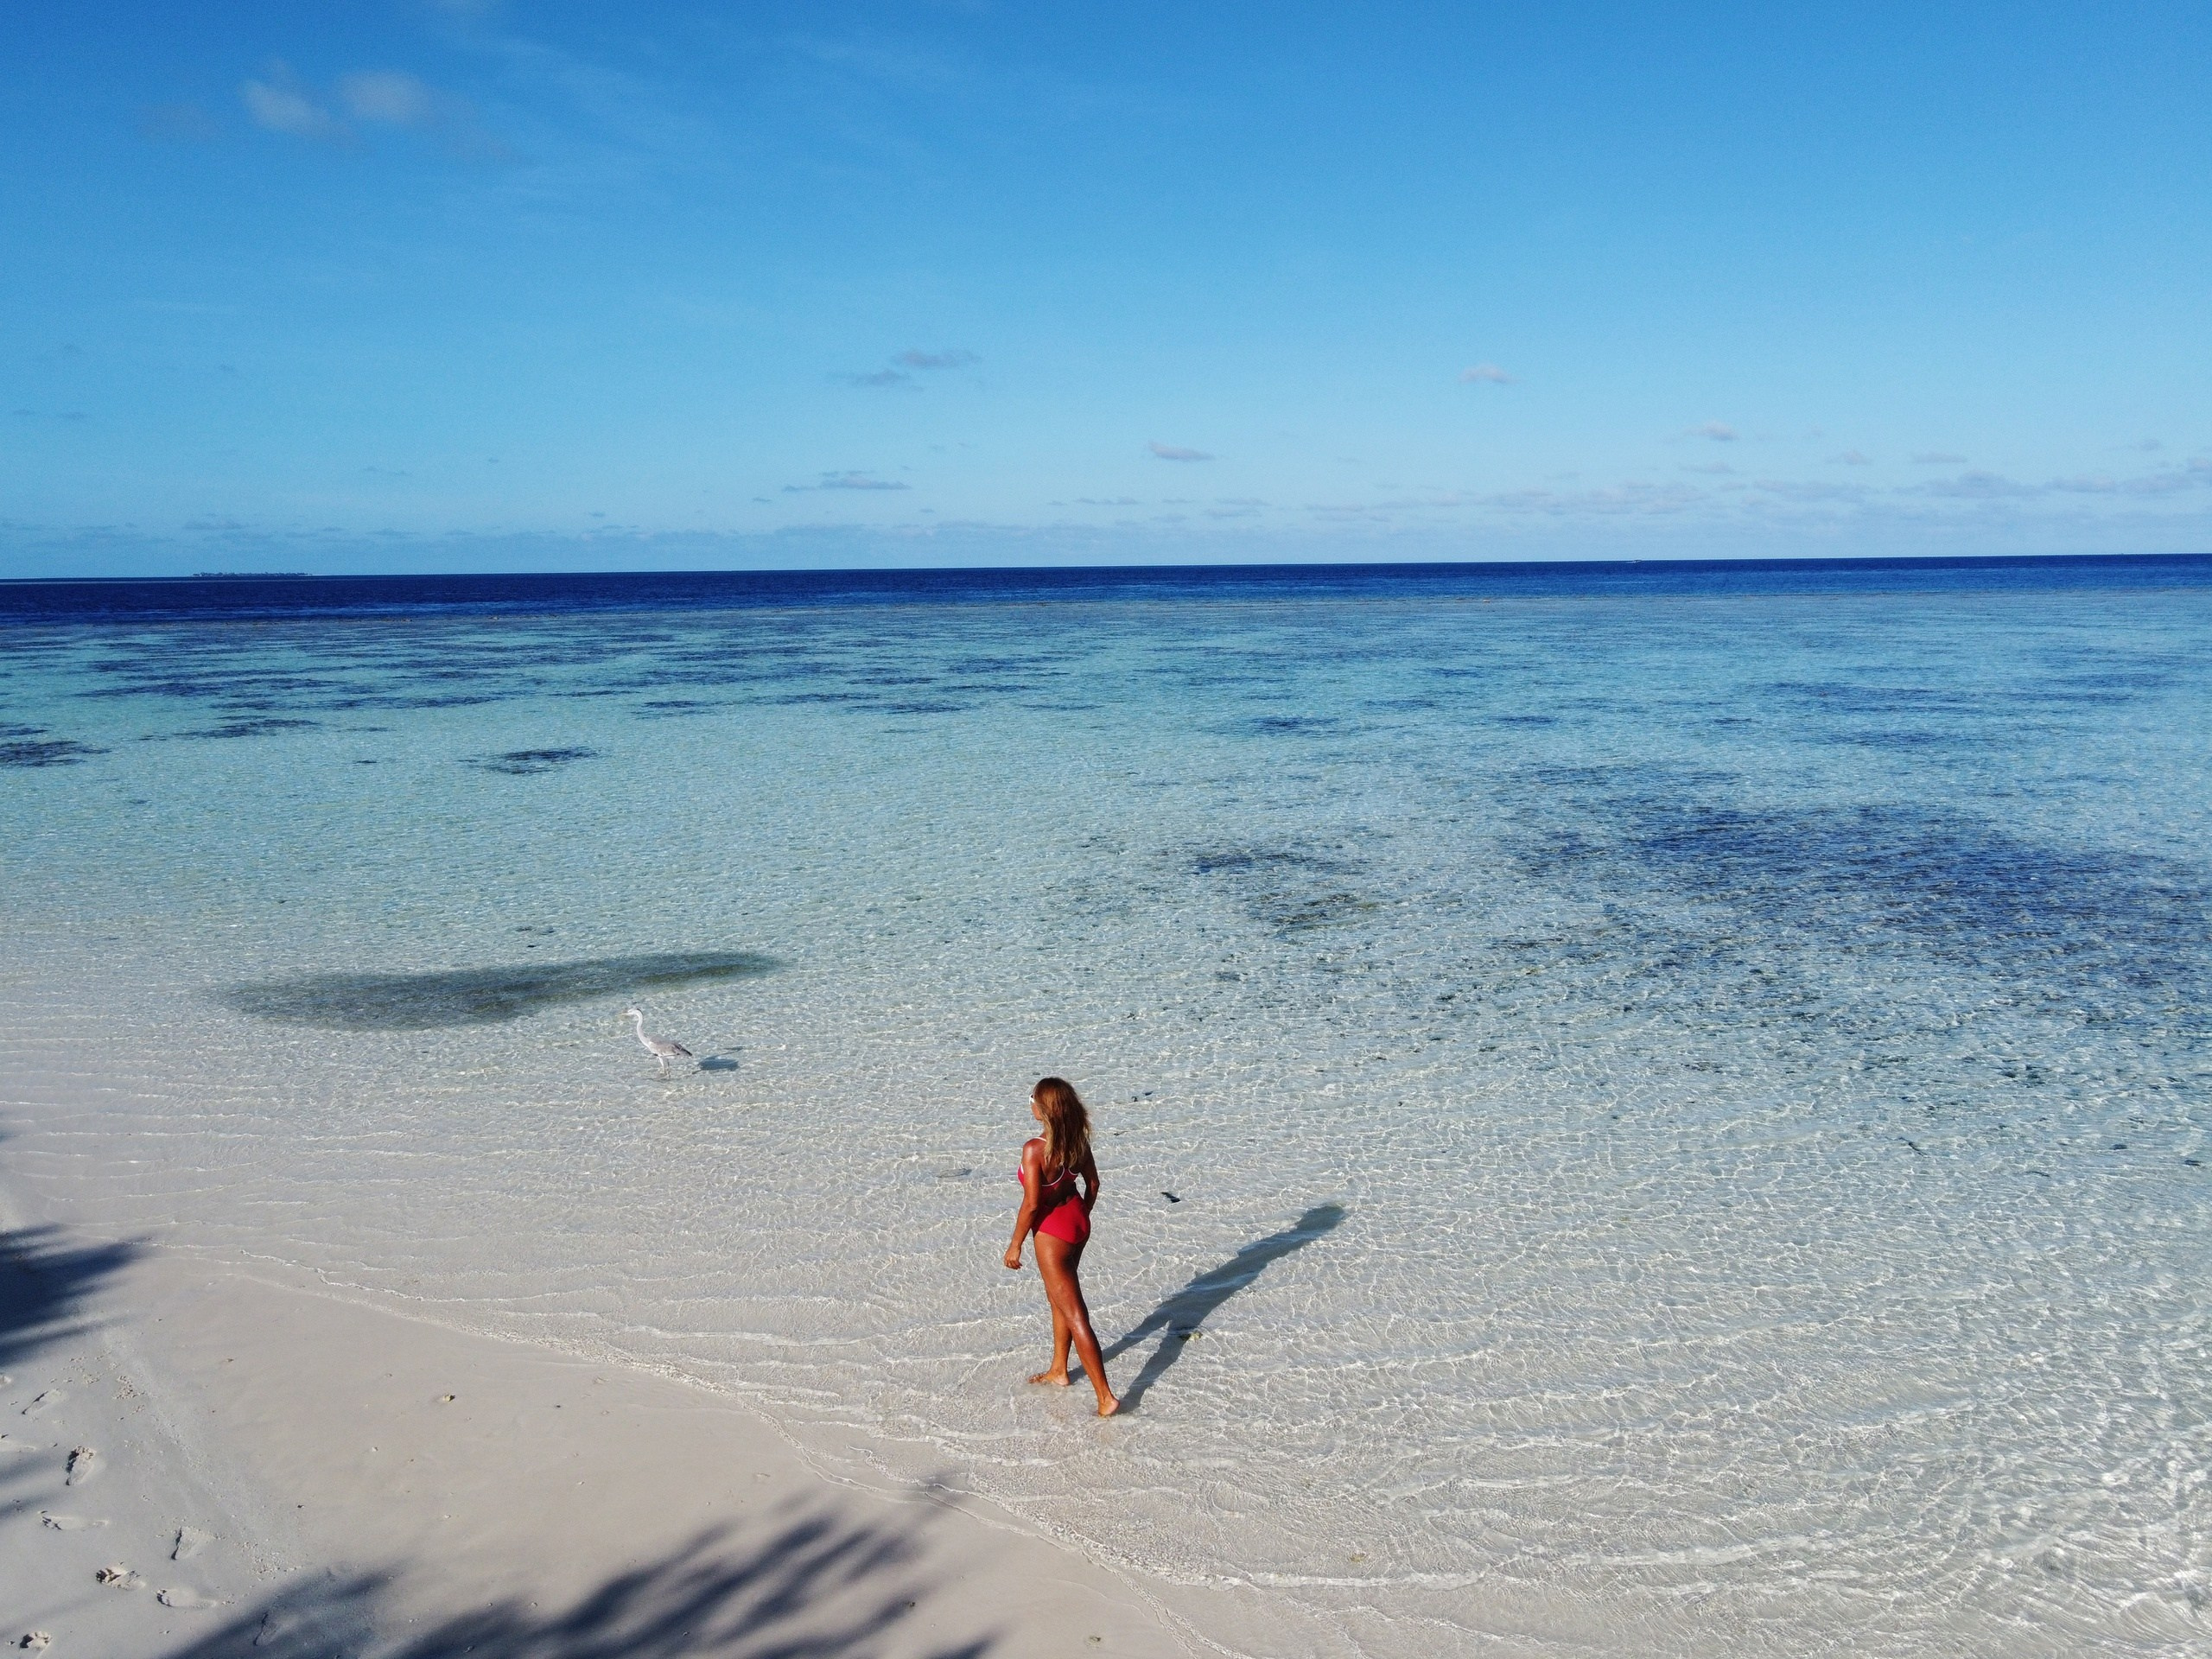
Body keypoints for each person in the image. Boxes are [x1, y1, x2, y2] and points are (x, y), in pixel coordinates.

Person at [1004, 1076, 1120, 1416]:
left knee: (1074, 1312)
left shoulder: (1034, 1149)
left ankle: (1105, 1397)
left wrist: (1015, 1246)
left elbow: (1031, 1204)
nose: (1030, 1103)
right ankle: (1059, 1370)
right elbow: (1093, 1183)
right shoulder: (1076, 1142)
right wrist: (1082, 1213)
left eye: (1032, 1098)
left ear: (1042, 1109)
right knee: (1059, 1297)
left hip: (1052, 1232)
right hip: (1077, 1222)